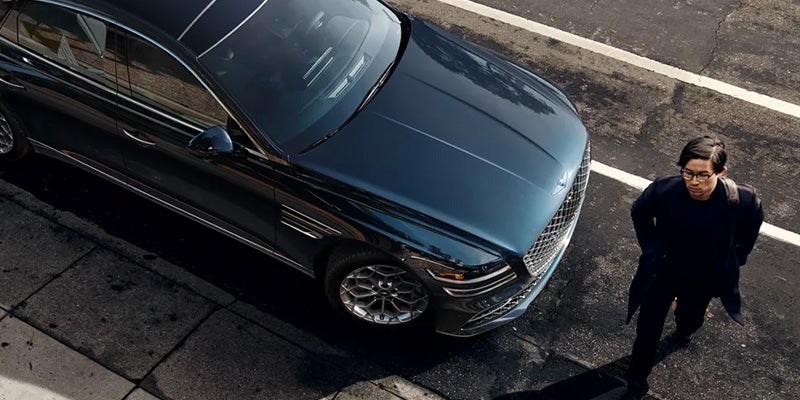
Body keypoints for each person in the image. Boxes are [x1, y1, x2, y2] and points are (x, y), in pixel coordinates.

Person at [622, 136, 764, 400]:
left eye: (702, 175)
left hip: (703, 277)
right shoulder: (665, 190)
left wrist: (733, 260)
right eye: (688, 173)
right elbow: (639, 211)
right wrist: (651, 248)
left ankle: (684, 330)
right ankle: (636, 382)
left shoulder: (743, 201)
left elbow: (749, 234)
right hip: (664, 272)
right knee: (647, 330)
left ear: (721, 172)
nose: (694, 182)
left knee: (690, 318)